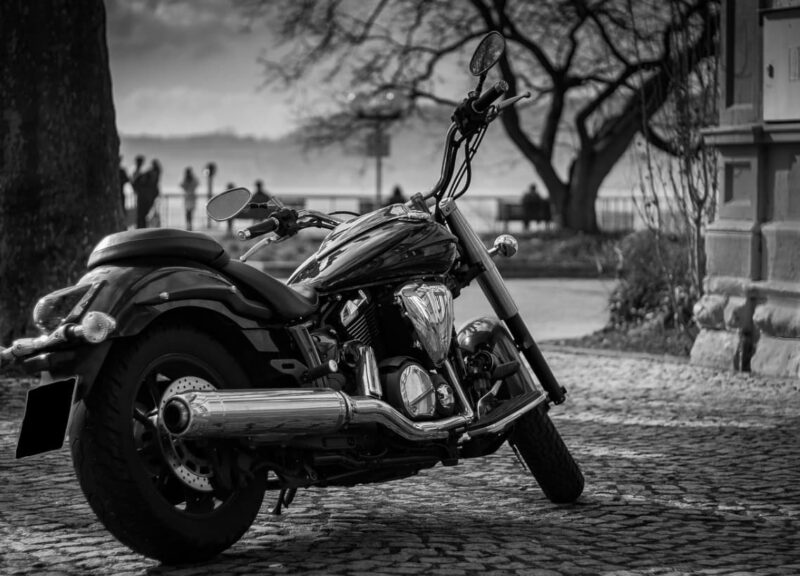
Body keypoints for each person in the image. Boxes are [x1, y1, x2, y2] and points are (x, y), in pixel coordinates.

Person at [132, 155, 148, 228]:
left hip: (140, 195)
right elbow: (134, 183)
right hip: (139, 195)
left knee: (141, 213)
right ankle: (140, 227)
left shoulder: (137, 172)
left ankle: (141, 226)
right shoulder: (136, 172)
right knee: (140, 213)